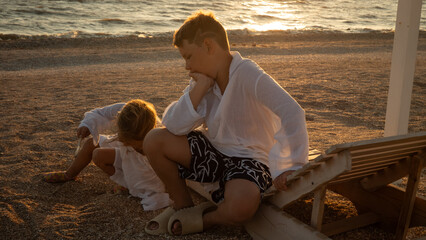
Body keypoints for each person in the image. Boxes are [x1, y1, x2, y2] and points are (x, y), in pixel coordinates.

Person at [143, 10, 309, 235]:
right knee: (154, 140)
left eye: (188, 56)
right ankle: (183, 206)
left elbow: (291, 111)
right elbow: (173, 125)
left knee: (241, 208)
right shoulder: (204, 81)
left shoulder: (247, 73)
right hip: (215, 154)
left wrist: (288, 166)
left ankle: (205, 218)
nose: (187, 66)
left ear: (209, 46)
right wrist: (200, 88)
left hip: (251, 160)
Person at [42, 99, 170, 211]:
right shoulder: (126, 113)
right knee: (92, 145)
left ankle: (128, 185)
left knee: (139, 183)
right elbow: (100, 113)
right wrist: (87, 125)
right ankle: (69, 174)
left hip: (144, 163)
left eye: (128, 141)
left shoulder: (157, 138)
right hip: (127, 153)